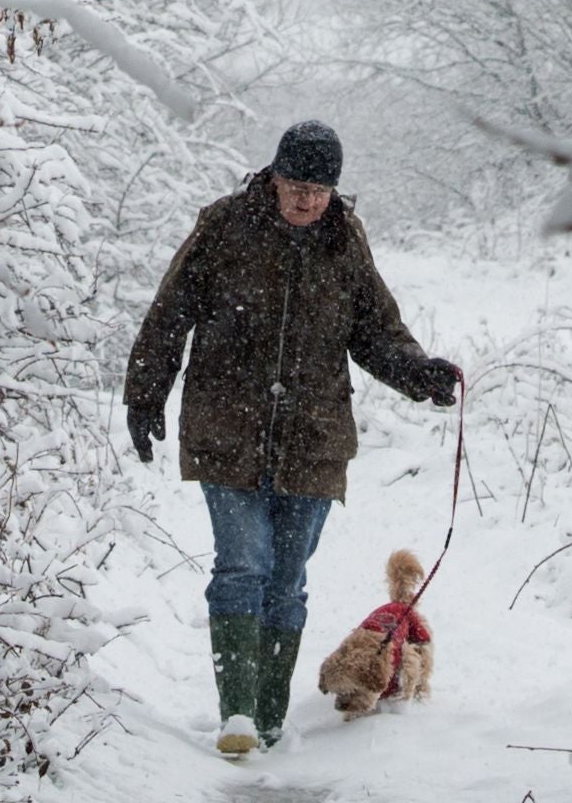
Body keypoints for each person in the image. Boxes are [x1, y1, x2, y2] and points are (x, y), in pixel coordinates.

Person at [124, 120, 463, 759]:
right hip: (227, 428)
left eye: (321, 189)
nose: (308, 200)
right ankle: (240, 714)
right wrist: (145, 395)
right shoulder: (225, 226)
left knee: (285, 579)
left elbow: (376, 330)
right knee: (242, 565)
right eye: (297, 185)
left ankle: (272, 720)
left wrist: (417, 372)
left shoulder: (344, 239)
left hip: (314, 436)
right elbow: (170, 314)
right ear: (274, 177)